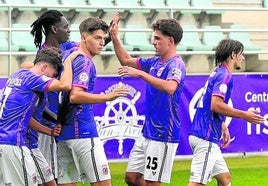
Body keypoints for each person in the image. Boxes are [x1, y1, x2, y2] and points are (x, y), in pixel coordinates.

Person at [110, 13, 186, 185]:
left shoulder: (176, 64)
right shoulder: (155, 62)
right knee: (132, 177)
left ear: (171, 41)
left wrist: (140, 73)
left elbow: (170, 87)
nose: (153, 42)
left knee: (152, 181)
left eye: (158, 38)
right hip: (148, 131)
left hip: (163, 133)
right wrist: (115, 37)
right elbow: (126, 60)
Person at [56, 17, 129, 186]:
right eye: (97, 38)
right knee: (103, 183)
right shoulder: (85, 62)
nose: (102, 42)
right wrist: (108, 97)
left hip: (63, 134)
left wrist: (112, 33)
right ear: (83, 38)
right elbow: (75, 95)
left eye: (103, 38)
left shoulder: (69, 55)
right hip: (83, 133)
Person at [187, 39, 265, 186]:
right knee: (197, 183)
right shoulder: (225, 76)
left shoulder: (217, 72)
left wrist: (222, 125)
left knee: (225, 179)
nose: (243, 58)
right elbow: (215, 105)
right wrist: (245, 115)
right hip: (206, 137)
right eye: (241, 54)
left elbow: (208, 104)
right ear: (233, 55)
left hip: (204, 134)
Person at [0, 47, 79, 186]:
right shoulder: (33, 79)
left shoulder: (18, 75)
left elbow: (24, 117)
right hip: (14, 143)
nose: (53, 78)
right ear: (44, 67)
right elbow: (65, 85)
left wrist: (49, 131)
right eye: (53, 74)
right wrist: (68, 61)